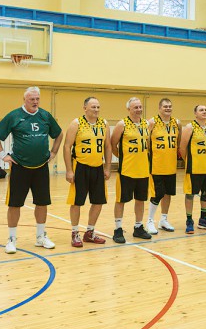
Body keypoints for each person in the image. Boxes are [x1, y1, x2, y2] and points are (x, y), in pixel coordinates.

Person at [0, 86, 64, 254]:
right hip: (20, 167)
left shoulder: (45, 115)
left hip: (41, 167)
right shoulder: (14, 116)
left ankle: (40, 237)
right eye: (32, 99)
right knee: (14, 204)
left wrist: (54, 152)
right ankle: (11, 239)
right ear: (25, 100)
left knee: (42, 203)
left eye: (37, 99)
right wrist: (3, 155)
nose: (35, 102)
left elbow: (59, 134)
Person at [62, 96, 111, 247]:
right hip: (80, 167)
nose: (96, 110)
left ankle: (89, 232)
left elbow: (107, 146)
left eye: (98, 107)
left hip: (98, 167)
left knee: (98, 201)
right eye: (93, 107)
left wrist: (107, 167)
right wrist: (69, 170)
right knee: (77, 202)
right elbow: (67, 146)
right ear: (85, 108)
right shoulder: (76, 123)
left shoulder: (104, 123)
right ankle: (75, 233)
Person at [110, 97, 153, 243]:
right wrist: (124, 157)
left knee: (140, 200)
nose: (139, 109)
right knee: (120, 200)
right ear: (129, 109)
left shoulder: (146, 124)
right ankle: (118, 229)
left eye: (140, 107)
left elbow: (147, 144)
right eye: (136, 107)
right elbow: (113, 144)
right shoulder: (122, 124)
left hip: (143, 170)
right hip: (126, 170)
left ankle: (138, 227)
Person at [179, 104, 206, 234]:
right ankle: (189, 221)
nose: (204, 112)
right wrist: (188, 161)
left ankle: (203, 220)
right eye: (201, 110)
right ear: (195, 113)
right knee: (190, 195)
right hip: (194, 168)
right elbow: (182, 148)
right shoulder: (190, 127)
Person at [147, 98, 179, 233]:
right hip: (157, 165)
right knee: (157, 194)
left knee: (168, 193)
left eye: (170, 106)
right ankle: (149, 221)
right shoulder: (152, 122)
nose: (168, 108)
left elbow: (178, 142)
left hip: (171, 165)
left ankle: (163, 220)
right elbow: (147, 143)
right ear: (159, 108)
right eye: (165, 106)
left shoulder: (177, 123)